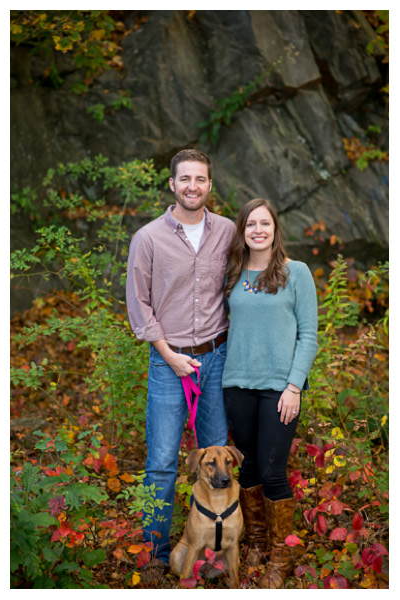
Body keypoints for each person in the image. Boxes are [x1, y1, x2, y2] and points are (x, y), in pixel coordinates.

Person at [125, 149, 236, 581]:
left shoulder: (227, 231)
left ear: (210, 185)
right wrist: (169, 356)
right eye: (185, 179)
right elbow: (139, 305)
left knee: (219, 459)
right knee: (162, 462)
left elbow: (249, 275)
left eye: (201, 179)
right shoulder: (148, 238)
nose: (193, 186)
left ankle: (213, 550)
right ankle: (154, 553)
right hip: (168, 361)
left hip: (217, 356)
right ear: (172, 184)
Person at [221, 198, 318, 588]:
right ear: (242, 231)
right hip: (237, 384)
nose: (258, 230)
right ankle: (257, 541)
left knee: (273, 469)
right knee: (247, 468)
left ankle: (282, 552)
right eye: (250, 224)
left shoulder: (297, 272)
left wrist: (294, 385)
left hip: (281, 388)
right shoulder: (233, 272)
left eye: (265, 223)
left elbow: (309, 335)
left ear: (275, 229)